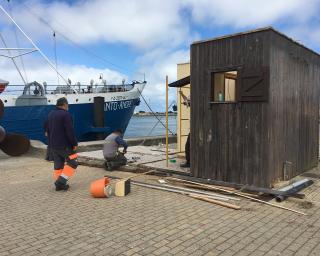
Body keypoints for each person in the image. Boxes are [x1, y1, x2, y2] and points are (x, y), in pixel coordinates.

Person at [45, 97, 78, 191]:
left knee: (58, 165)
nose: (68, 107)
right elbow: (69, 131)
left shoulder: (51, 114)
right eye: (68, 105)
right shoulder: (65, 115)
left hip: (53, 145)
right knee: (73, 162)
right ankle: (60, 182)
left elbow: (46, 127)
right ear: (65, 104)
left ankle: (59, 186)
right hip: (65, 146)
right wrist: (74, 143)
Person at [179, 90, 190, 168]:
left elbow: (187, 101)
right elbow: (187, 100)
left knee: (188, 146)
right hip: (194, 127)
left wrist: (186, 102)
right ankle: (189, 162)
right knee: (188, 146)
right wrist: (182, 94)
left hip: (195, 127)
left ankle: (189, 163)